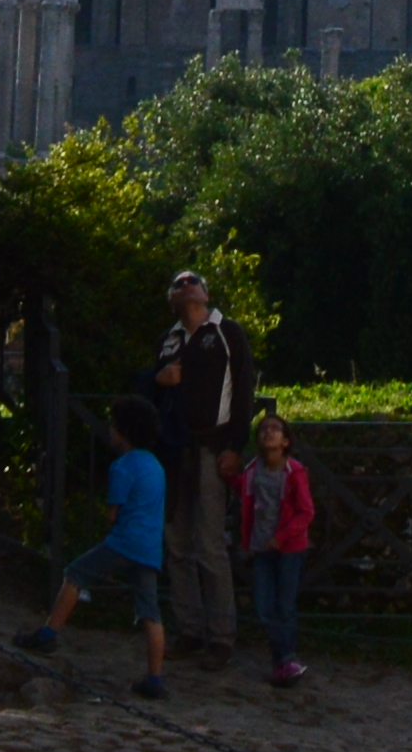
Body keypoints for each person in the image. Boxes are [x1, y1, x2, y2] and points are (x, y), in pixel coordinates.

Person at [24, 388, 172, 694]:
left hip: (124, 542)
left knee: (75, 574)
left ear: (124, 431)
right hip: (149, 547)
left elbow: (112, 514)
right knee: (150, 612)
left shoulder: (122, 466)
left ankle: (49, 634)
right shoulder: (157, 466)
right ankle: (155, 679)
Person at [152, 268, 257, 652]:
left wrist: (236, 445)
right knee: (177, 543)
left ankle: (221, 637)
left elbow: (245, 390)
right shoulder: (168, 340)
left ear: (206, 293)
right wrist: (158, 379)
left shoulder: (228, 332)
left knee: (211, 543)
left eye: (192, 281)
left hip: (213, 448)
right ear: (171, 298)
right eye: (178, 282)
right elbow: (150, 391)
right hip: (175, 452)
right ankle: (190, 629)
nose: (186, 285)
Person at [237, 408, 317, 687]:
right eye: (264, 429)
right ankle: (283, 658)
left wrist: (282, 537)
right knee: (263, 605)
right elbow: (244, 497)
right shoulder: (252, 471)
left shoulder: (294, 472)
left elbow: (306, 512)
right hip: (261, 547)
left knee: (284, 605)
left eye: (275, 429)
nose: (268, 432)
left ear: (285, 441)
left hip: (289, 549)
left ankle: (284, 659)